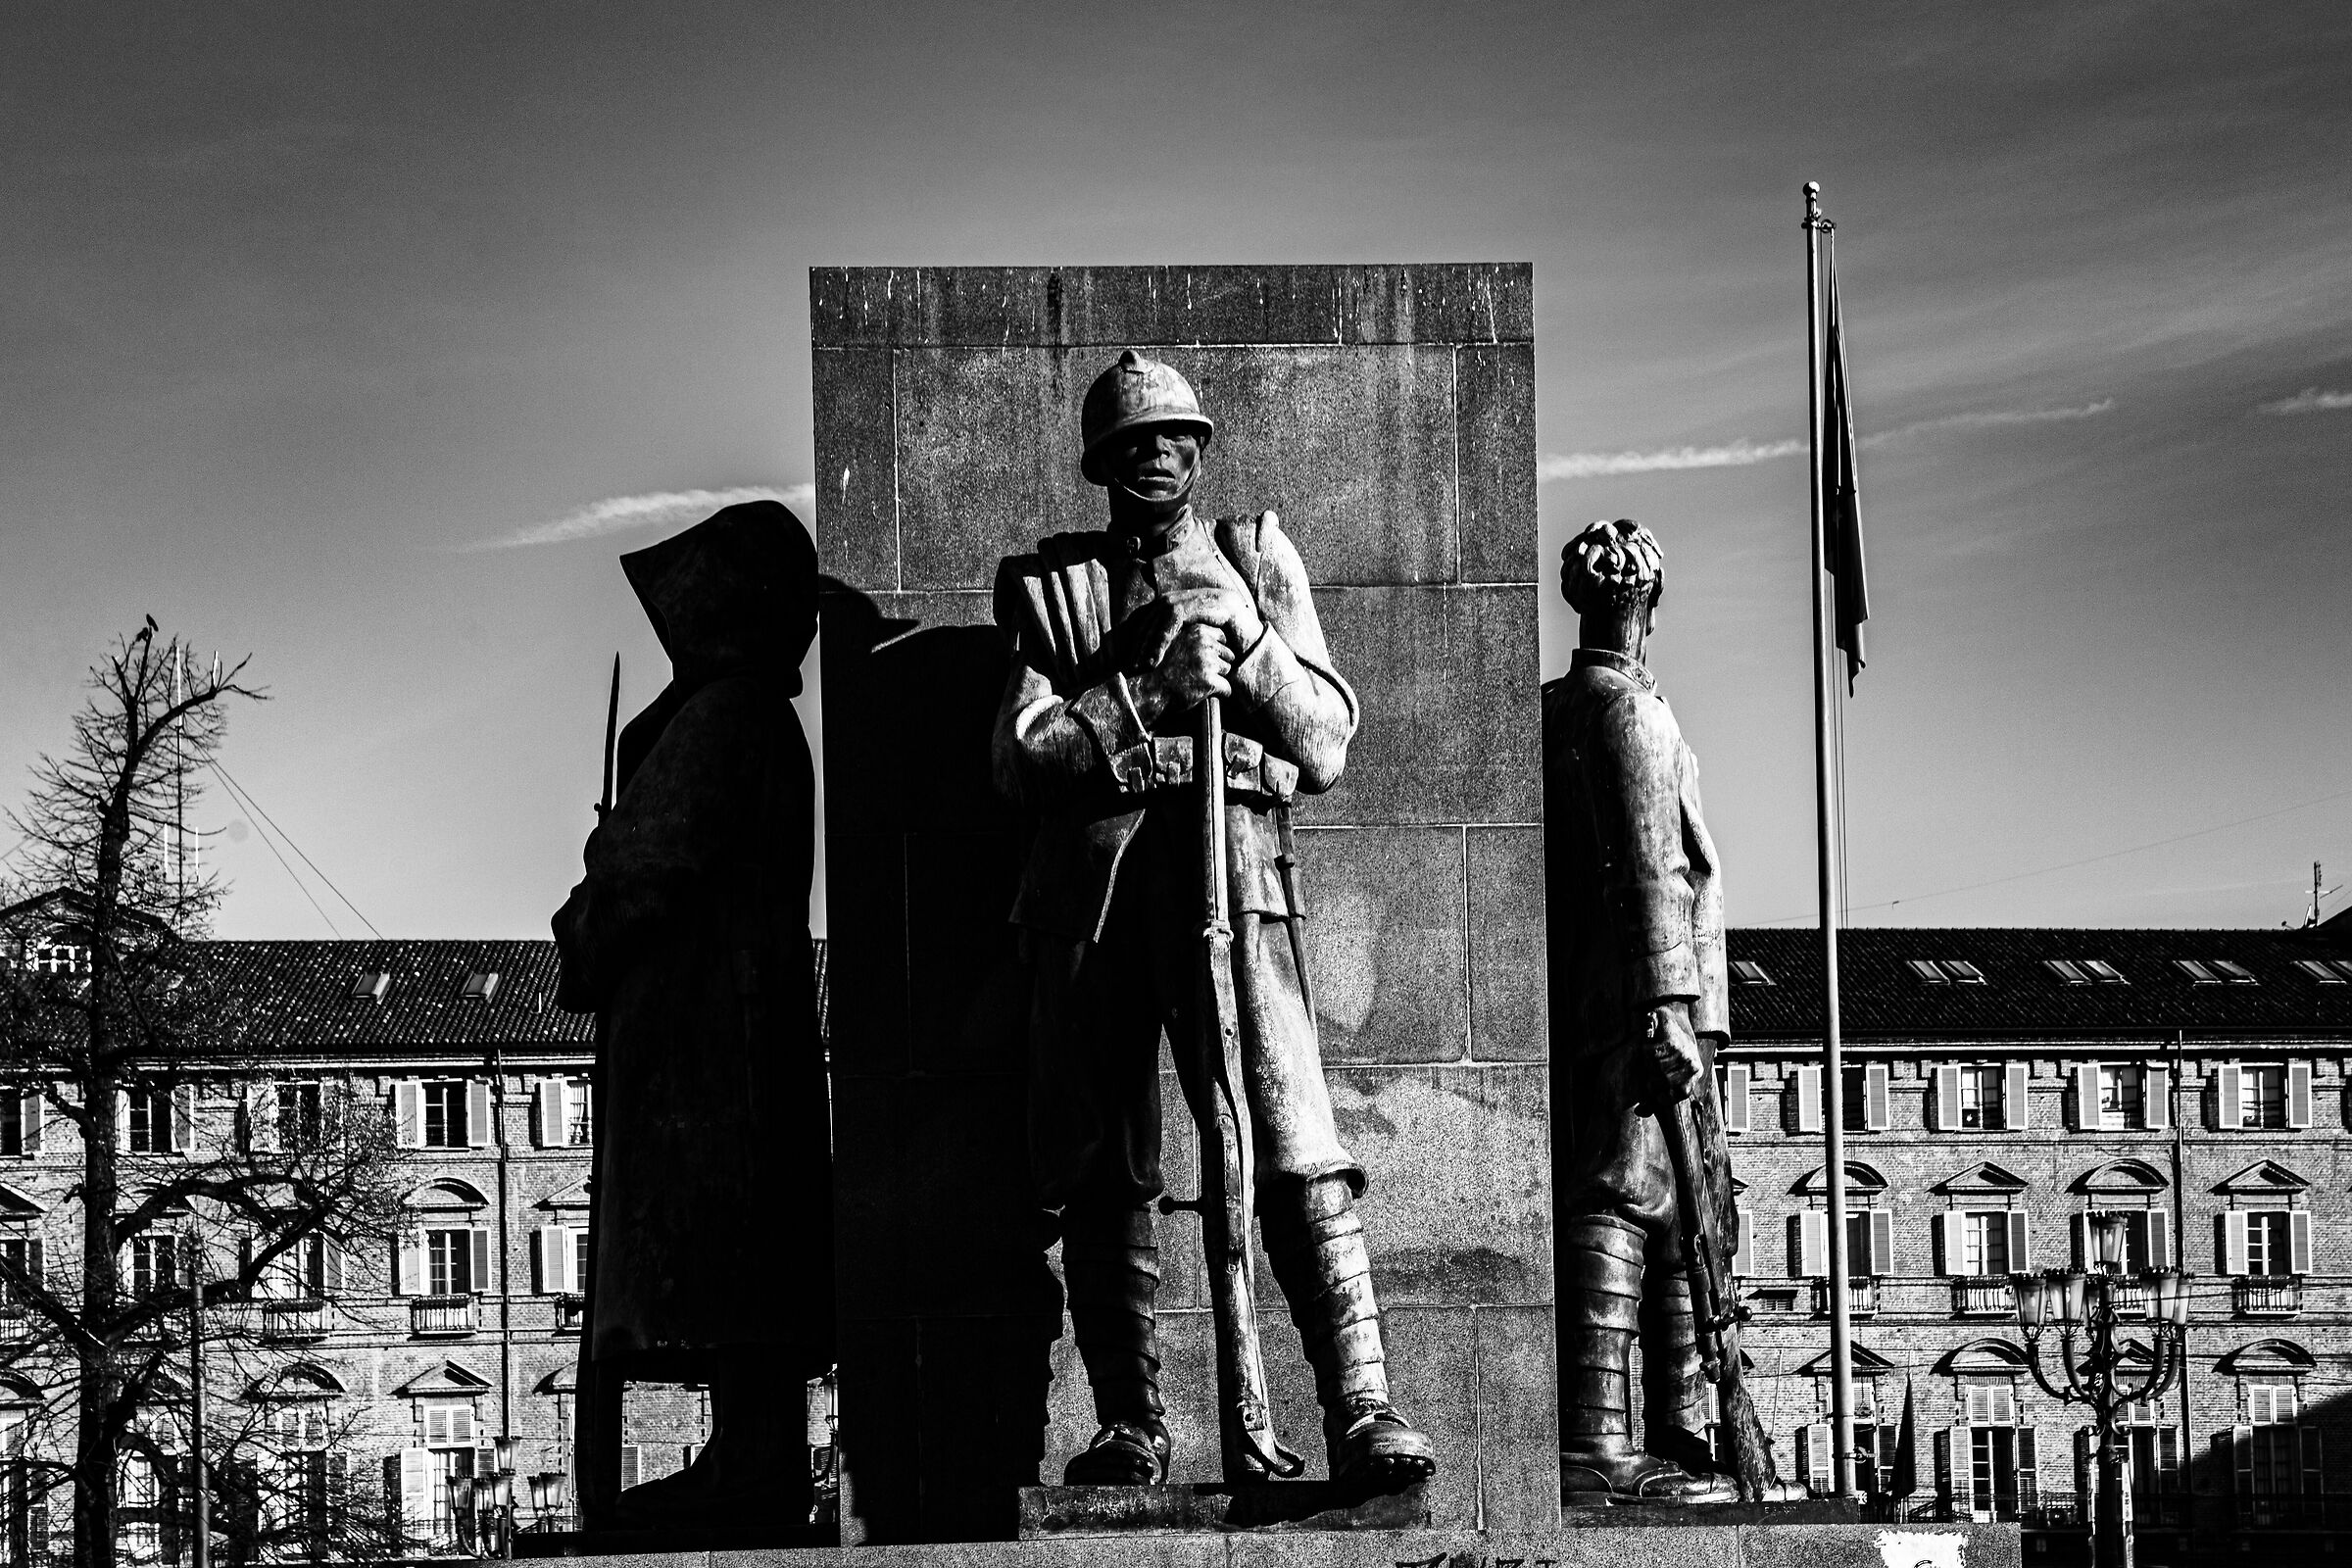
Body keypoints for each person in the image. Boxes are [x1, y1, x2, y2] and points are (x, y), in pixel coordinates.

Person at [990, 349, 1435, 1493]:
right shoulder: (1052, 589)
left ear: (1200, 450)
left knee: (1292, 1136)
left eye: (1174, 437)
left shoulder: (1253, 555)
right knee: (1102, 1164)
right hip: (1088, 902)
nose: (1156, 454)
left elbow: (1329, 740)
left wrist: (1251, 651)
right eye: (1134, 440)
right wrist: (1141, 686)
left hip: (1237, 881)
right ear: (1100, 461)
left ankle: (1361, 1405)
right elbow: (1018, 757)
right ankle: (1131, 1423)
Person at [552, 500, 833, 1527]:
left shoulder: (725, 715)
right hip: (726, 1024)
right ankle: (749, 1453)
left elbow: (647, 863)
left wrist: (587, 907)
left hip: (714, 1042)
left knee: (728, 1249)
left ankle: (755, 1464)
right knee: (736, 1255)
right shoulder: (749, 715)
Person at [1544, 517, 1760, 1504]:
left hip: (1605, 985)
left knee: (1677, 1213)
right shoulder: (1630, 709)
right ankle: (1598, 1440)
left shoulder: (1558, 704)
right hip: (1643, 994)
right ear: (1651, 607)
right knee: (1629, 1193)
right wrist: (1671, 1002)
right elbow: (1652, 866)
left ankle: (1674, 1428)